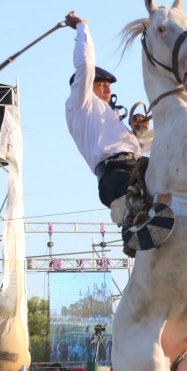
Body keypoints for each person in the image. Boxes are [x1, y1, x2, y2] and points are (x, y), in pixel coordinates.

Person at [64, 11, 150, 223]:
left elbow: (133, 148)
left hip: (136, 166)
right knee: (141, 212)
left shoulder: (109, 117)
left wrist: (138, 133)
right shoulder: (81, 103)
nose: (108, 89)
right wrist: (81, 26)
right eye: (101, 84)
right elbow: (85, 65)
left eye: (109, 86)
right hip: (114, 174)